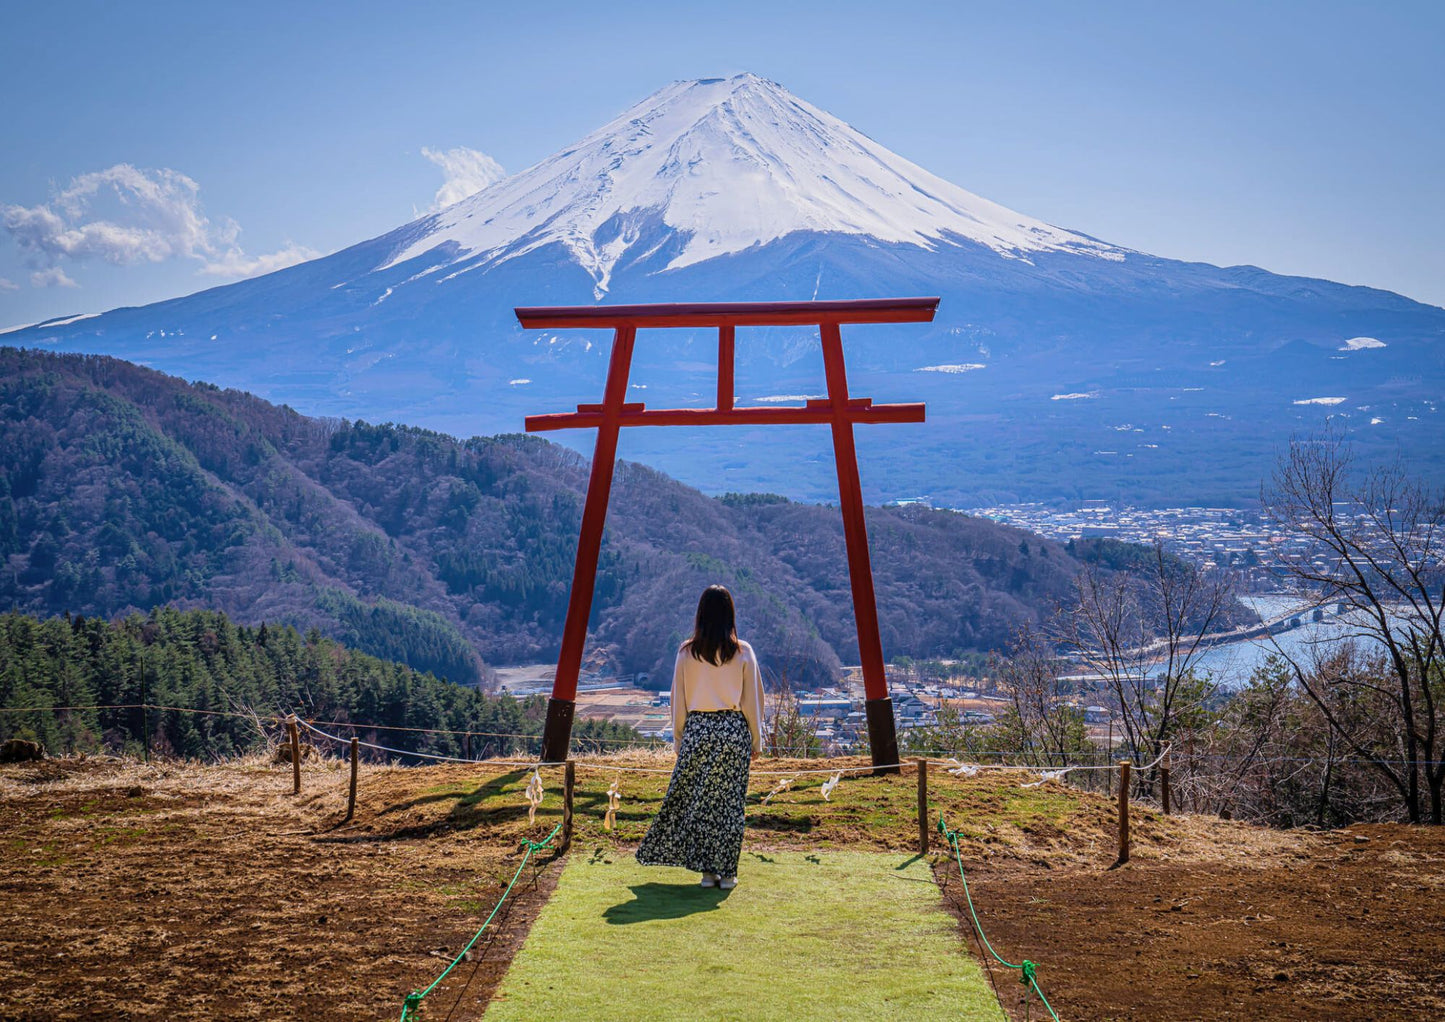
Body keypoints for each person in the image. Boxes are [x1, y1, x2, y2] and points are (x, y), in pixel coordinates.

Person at [636, 584, 763, 890]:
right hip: (733, 731)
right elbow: (752, 702)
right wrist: (757, 741)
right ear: (730, 613)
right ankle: (728, 873)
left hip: (698, 731)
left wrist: (679, 738)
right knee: (730, 804)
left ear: (700, 615)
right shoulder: (743, 652)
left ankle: (707, 873)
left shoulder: (686, 652)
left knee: (700, 803)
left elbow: (677, 699)